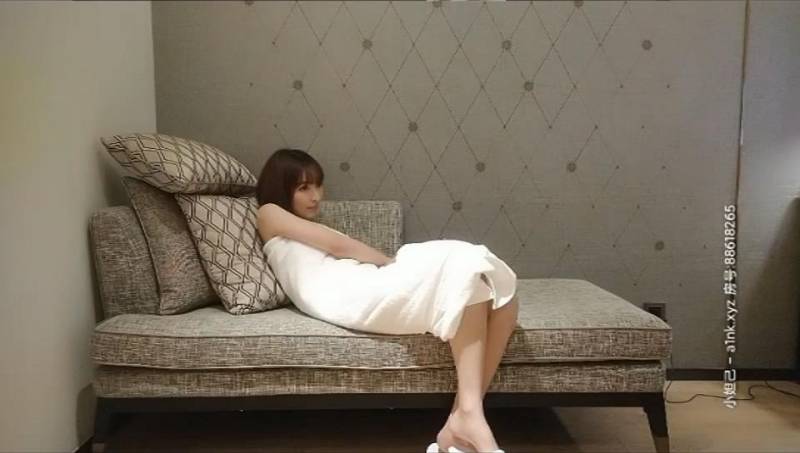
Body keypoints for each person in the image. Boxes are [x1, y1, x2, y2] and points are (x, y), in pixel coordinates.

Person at [256, 148, 519, 453]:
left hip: (357, 282)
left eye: (318, 185)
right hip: (346, 293)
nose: (316, 196)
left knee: (503, 300)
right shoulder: (269, 212)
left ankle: (463, 419)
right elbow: (337, 246)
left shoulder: (298, 221)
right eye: (304, 187)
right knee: (463, 262)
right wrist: (388, 262)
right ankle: (465, 422)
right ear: (280, 187)